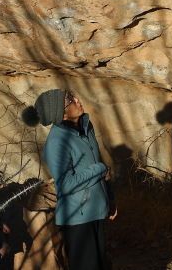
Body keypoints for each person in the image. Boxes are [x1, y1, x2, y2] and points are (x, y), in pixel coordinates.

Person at [21, 89, 117, 270]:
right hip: (78, 219)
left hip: (96, 211)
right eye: (70, 100)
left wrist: (109, 198)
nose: (77, 99)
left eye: (72, 95)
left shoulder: (86, 126)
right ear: (62, 114)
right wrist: (100, 169)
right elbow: (66, 184)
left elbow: (97, 166)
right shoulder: (57, 143)